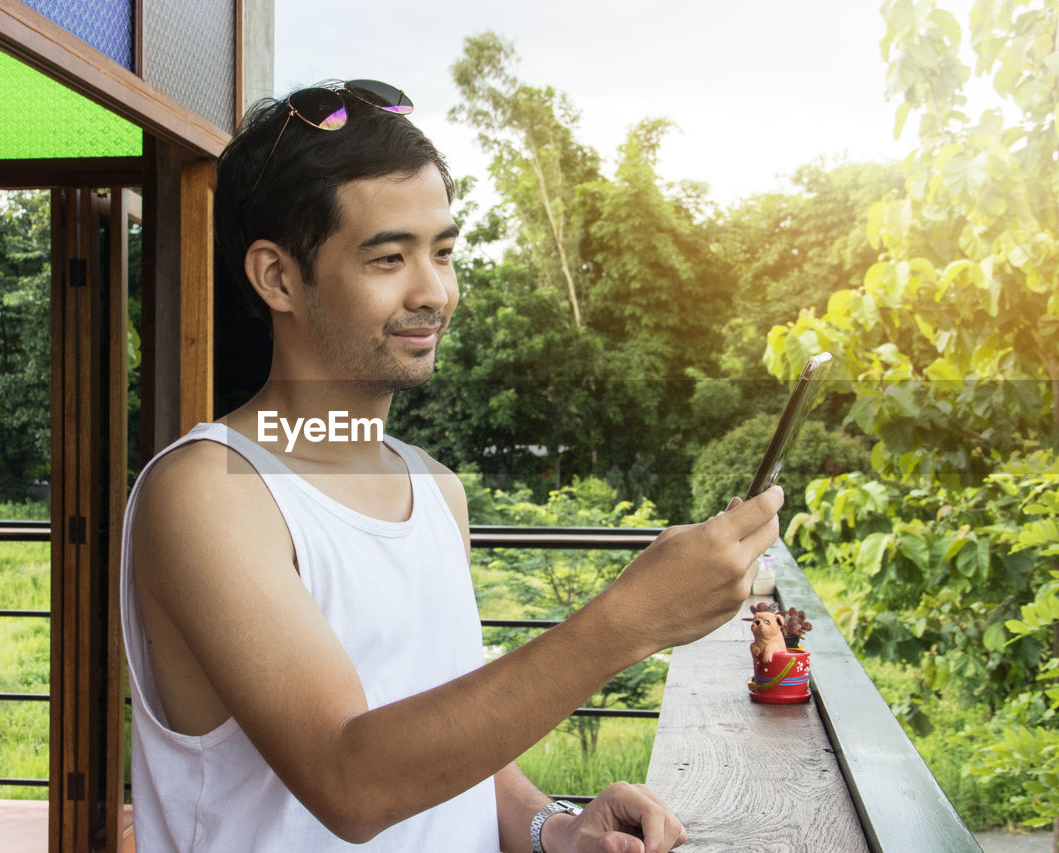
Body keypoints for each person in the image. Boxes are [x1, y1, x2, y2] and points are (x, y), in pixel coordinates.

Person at [120, 79, 784, 853]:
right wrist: (630, 619)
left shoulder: (434, 488)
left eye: (442, 251)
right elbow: (353, 780)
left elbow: (441, 738)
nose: (433, 291)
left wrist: (552, 826)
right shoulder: (209, 491)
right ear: (278, 278)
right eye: (389, 257)